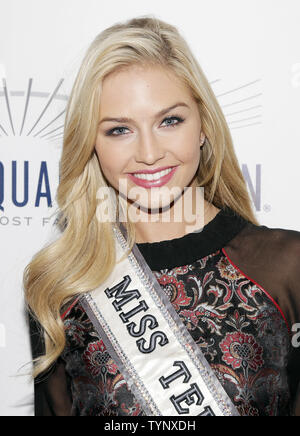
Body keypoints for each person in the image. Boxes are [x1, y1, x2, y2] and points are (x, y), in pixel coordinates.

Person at [24, 15, 300, 416]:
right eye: (120, 130)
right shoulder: (58, 285)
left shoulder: (287, 265)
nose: (149, 153)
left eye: (170, 121)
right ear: (91, 143)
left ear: (203, 125)